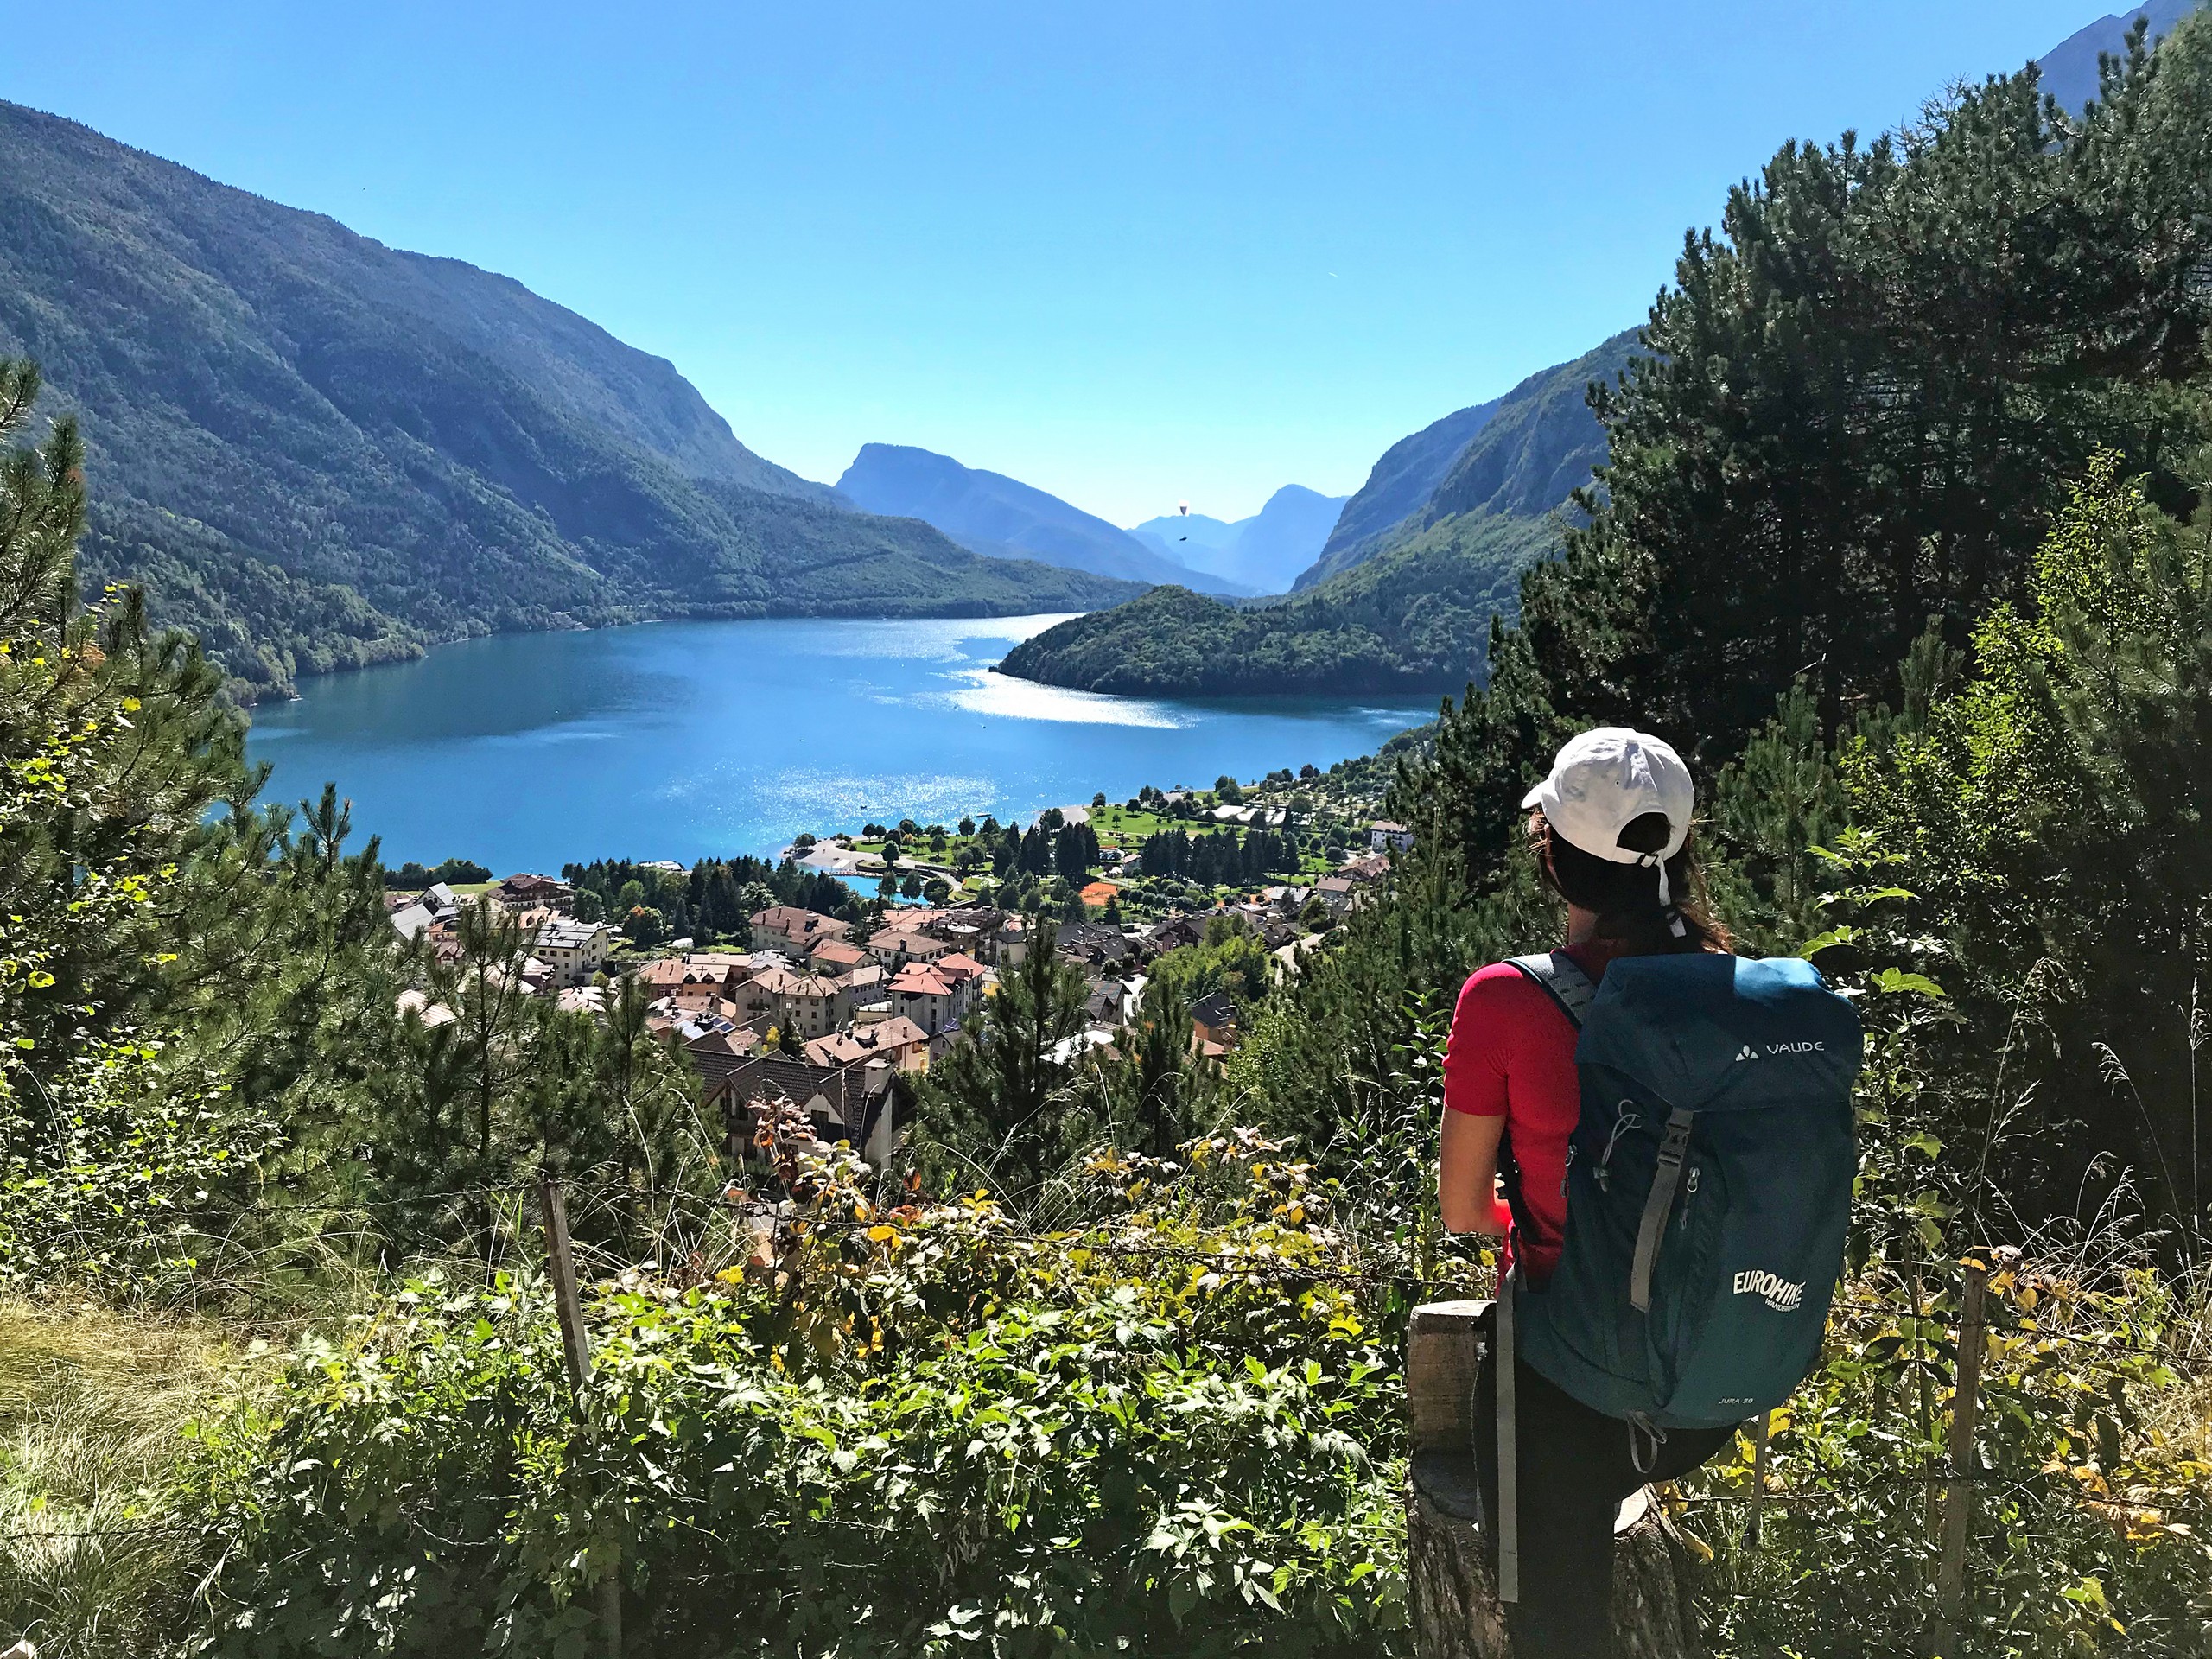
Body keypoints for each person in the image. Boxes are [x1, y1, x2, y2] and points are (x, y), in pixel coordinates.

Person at [1436, 728, 1739, 1659]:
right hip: (1706, 1366)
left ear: (1555, 861)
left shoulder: (1503, 1001)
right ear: (1678, 855)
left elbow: (1459, 1209)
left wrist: (1531, 1231)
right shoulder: (1738, 990)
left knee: (1553, 1631)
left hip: (1566, 1373)